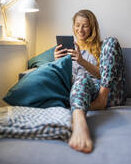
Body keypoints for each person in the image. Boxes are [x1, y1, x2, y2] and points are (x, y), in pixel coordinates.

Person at [54, 9, 126, 153]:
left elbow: (104, 76)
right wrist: (57, 62)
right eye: (77, 25)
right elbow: (66, 81)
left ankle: (101, 100)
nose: (80, 29)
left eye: (85, 25)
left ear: (92, 27)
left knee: (111, 41)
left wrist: (81, 61)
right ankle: (79, 122)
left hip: (108, 93)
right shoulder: (68, 50)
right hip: (83, 95)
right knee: (81, 81)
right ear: (73, 26)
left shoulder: (102, 47)